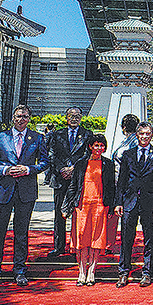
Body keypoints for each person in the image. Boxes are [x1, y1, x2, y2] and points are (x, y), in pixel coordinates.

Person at [0, 104, 49, 288]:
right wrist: (5, 170)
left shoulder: (37, 138)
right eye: (18, 116)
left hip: (26, 192)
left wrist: (28, 169)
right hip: (3, 191)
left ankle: (19, 270)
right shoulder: (0, 137)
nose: (21, 119)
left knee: (21, 232)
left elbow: (44, 162)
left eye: (25, 116)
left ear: (29, 119)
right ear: (13, 118)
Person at [115, 121, 153, 288]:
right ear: (137, 135)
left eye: (148, 133)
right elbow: (121, 180)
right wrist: (118, 202)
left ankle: (147, 272)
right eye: (142, 133)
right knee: (126, 238)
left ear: (151, 135)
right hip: (129, 202)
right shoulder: (128, 154)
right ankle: (123, 272)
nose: (145, 136)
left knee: (149, 238)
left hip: (149, 203)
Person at [62, 133, 116, 285]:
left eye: (102, 145)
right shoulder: (80, 164)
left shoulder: (108, 164)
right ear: (90, 146)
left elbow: (111, 187)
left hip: (100, 206)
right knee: (82, 240)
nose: (99, 148)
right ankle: (81, 272)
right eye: (96, 145)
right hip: (82, 206)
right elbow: (73, 186)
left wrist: (111, 207)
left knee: (96, 240)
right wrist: (66, 206)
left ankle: (91, 271)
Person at [47, 106, 91, 257]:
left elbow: (87, 155)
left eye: (77, 115)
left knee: (78, 213)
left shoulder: (87, 134)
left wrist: (74, 169)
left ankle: (77, 245)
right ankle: (58, 247)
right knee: (59, 213)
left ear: (81, 118)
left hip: (78, 179)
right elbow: (51, 154)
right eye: (71, 116)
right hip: (60, 178)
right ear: (66, 118)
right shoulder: (57, 134)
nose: (74, 118)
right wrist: (62, 169)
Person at [107, 113, 139, 255]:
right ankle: (112, 244)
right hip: (121, 183)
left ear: (123, 127)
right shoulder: (129, 142)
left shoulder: (131, 143)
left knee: (123, 216)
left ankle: (116, 245)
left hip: (124, 184)